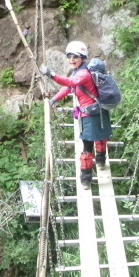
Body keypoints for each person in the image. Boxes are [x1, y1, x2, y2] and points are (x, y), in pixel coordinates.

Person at [40, 41, 111, 190]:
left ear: (83, 58)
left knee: (88, 146)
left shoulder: (83, 74)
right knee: (99, 137)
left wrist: (51, 74)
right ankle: (100, 161)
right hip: (96, 111)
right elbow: (69, 87)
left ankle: (86, 179)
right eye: (69, 56)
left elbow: (69, 82)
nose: (71, 59)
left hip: (90, 114)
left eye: (75, 56)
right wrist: (53, 100)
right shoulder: (79, 72)